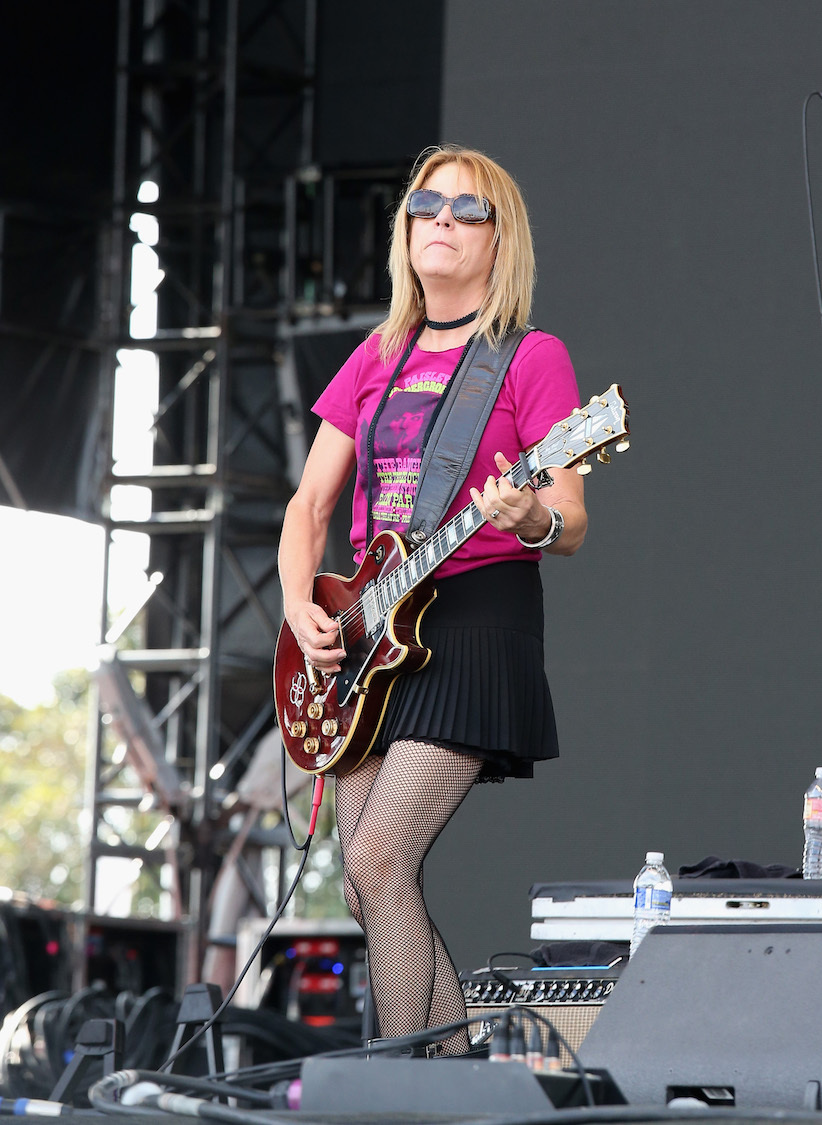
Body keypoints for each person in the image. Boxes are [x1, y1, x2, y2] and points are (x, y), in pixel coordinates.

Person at [277, 144, 587, 1055]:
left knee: (379, 855)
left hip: (474, 619)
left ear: (501, 240)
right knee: (366, 881)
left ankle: (394, 1083)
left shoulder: (531, 356)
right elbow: (310, 505)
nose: (440, 218)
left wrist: (526, 512)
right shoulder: (377, 356)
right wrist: (300, 600)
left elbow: (568, 519)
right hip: (369, 632)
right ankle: (455, 1078)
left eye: (466, 208)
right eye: (425, 204)